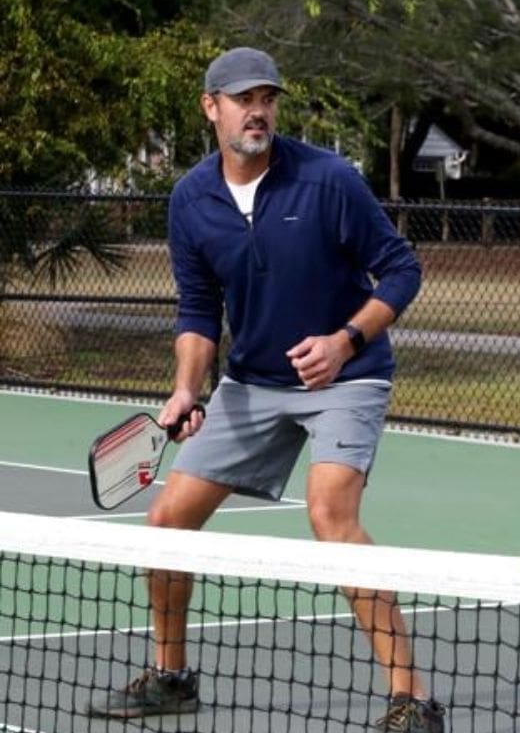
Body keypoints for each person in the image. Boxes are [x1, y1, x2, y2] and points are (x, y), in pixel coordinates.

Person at [87, 47, 442, 733]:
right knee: (166, 525)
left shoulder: (328, 179)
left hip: (347, 376)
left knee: (330, 515)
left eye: (268, 98)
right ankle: (171, 676)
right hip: (250, 383)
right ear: (210, 106)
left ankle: (411, 700)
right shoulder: (191, 200)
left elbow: (400, 270)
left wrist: (346, 341)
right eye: (243, 98)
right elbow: (197, 310)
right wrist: (187, 389)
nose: (258, 111)